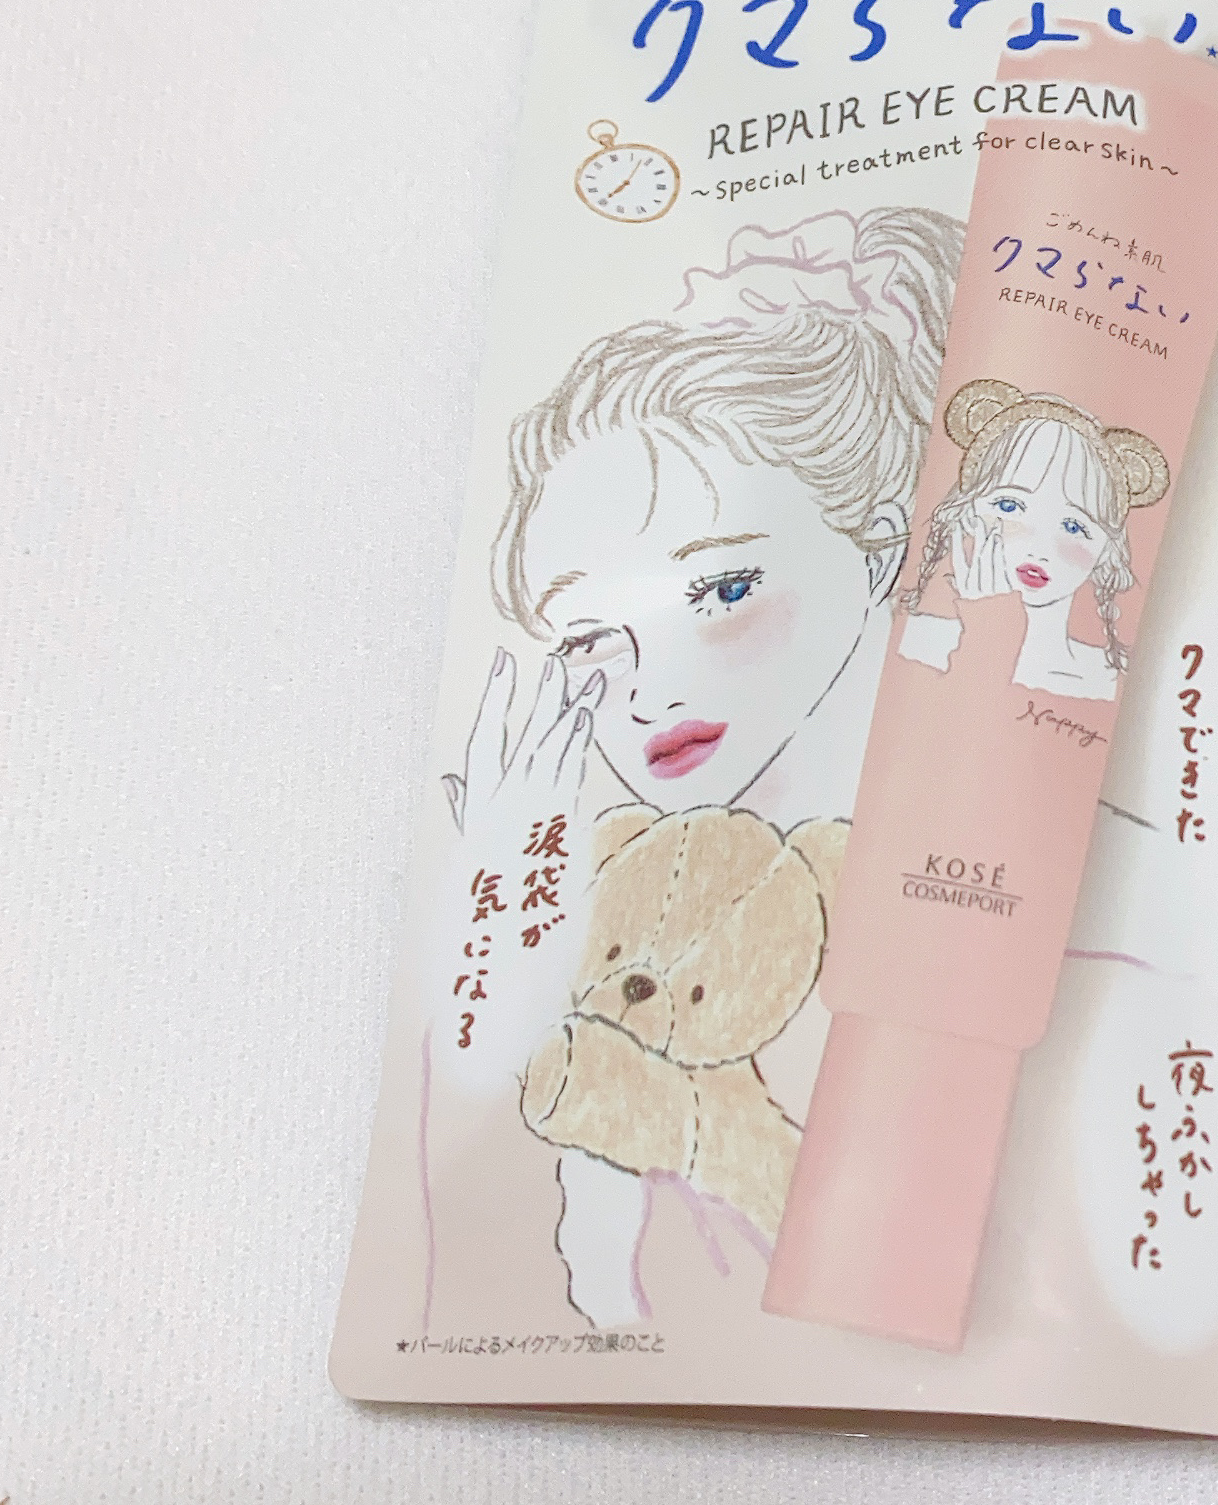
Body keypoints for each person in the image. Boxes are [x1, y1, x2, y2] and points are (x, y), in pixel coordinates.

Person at [433, 206, 962, 1323]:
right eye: (590, 640)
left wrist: (692, 1131)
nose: (649, 693)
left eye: (722, 592)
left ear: (879, 545)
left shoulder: (979, 878)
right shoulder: (617, 885)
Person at [896, 381, 1169, 704]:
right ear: (968, 512)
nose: (1040, 547)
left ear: (1105, 551)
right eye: (1009, 506)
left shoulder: (1106, 684)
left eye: (1073, 526)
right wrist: (987, 625)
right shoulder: (913, 646)